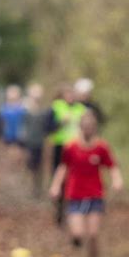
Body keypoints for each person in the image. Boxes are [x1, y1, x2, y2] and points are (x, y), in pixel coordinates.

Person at [49, 110, 123, 257]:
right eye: (85, 127)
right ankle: (75, 239)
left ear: (95, 128)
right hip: (75, 195)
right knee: (78, 233)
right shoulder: (71, 147)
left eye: (91, 127)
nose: (88, 130)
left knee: (93, 234)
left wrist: (117, 180)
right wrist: (55, 186)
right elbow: (63, 167)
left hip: (95, 195)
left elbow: (112, 166)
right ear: (81, 128)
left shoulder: (101, 147)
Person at [45, 85, 86, 225]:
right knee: (59, 177)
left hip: (77, 149)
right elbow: (48, 127)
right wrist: (60, 122)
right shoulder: (56, 108)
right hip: (60, 147)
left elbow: (88, 126)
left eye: (72, 94)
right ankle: (59, 210)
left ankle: (76, 208)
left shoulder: (81, 109)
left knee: (75, 178)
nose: (70, 97)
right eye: (67, 94)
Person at [21, 83, 47, 199]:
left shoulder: (43, 110)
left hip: (39, 141)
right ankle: (30, 184)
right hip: (29, 141)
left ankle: (37, 187)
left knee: (39, 165)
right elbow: (23, 125)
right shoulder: (26, 109)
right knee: (31, 164)